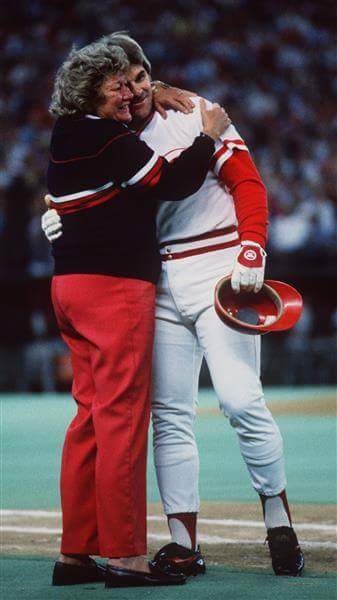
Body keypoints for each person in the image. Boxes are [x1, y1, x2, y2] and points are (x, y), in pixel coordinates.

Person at [43, 33, 304, 578]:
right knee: (168, 416)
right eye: (128, 82)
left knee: (239, 399)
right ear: (109, 89)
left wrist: (252, 246)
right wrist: (61, 216)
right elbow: (88, 183)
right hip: (156, 277)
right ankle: (182, 542)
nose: (137, 90)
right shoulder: (114, 130)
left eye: (144, 79)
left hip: (217, 268)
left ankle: (279, 520)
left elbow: (248, 183)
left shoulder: (196, 113)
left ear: (152, 79)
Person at [45, 39, 230, 588]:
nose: (129, 93)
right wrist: (208, 135)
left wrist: (159, 89)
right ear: (89, 92)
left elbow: (132, 105)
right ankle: (125, 555)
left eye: (134, 81)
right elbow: (173, 183)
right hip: (114, 290)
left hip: (69, 287)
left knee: (89, 420)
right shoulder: (111, 141)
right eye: (117, 86)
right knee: (123, 422)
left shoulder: (68, 130)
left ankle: (75, 555)